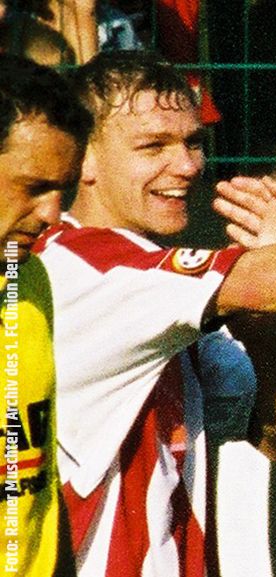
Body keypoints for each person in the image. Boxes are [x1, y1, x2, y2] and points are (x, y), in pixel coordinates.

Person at [32, 50, 276, 576]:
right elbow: (259, 281)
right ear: (86, 159)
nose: (189, 165)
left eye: (193, 142)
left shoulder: (156, 291)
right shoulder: (76, 267)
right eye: (154, 146)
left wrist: (268, 342)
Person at [0, 53, 91, 577]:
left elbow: (33, 473)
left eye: (65, 188)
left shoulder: (30, 278)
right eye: (34, 187)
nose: (53, 214)